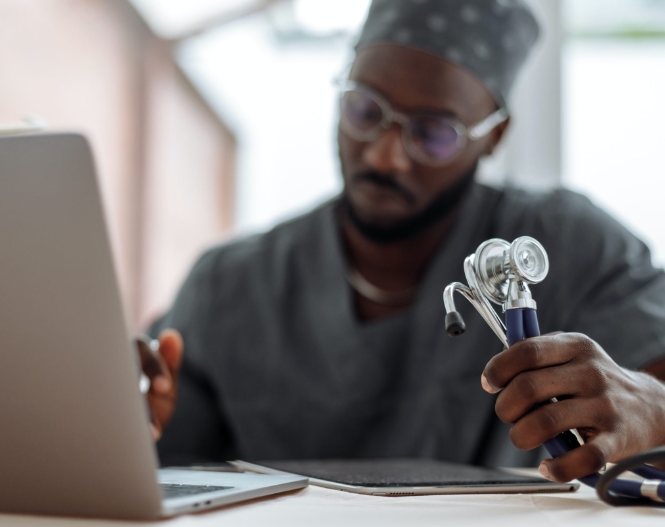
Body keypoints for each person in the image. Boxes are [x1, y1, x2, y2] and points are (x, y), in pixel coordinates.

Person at [141, 0, 665, 484]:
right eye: (365, 111)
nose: (384, 157)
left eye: (433, 132)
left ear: (493, 137)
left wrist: (654, 408)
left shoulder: (570, 246)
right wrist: (131, 425)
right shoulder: (227, 287)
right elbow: (171, 468)